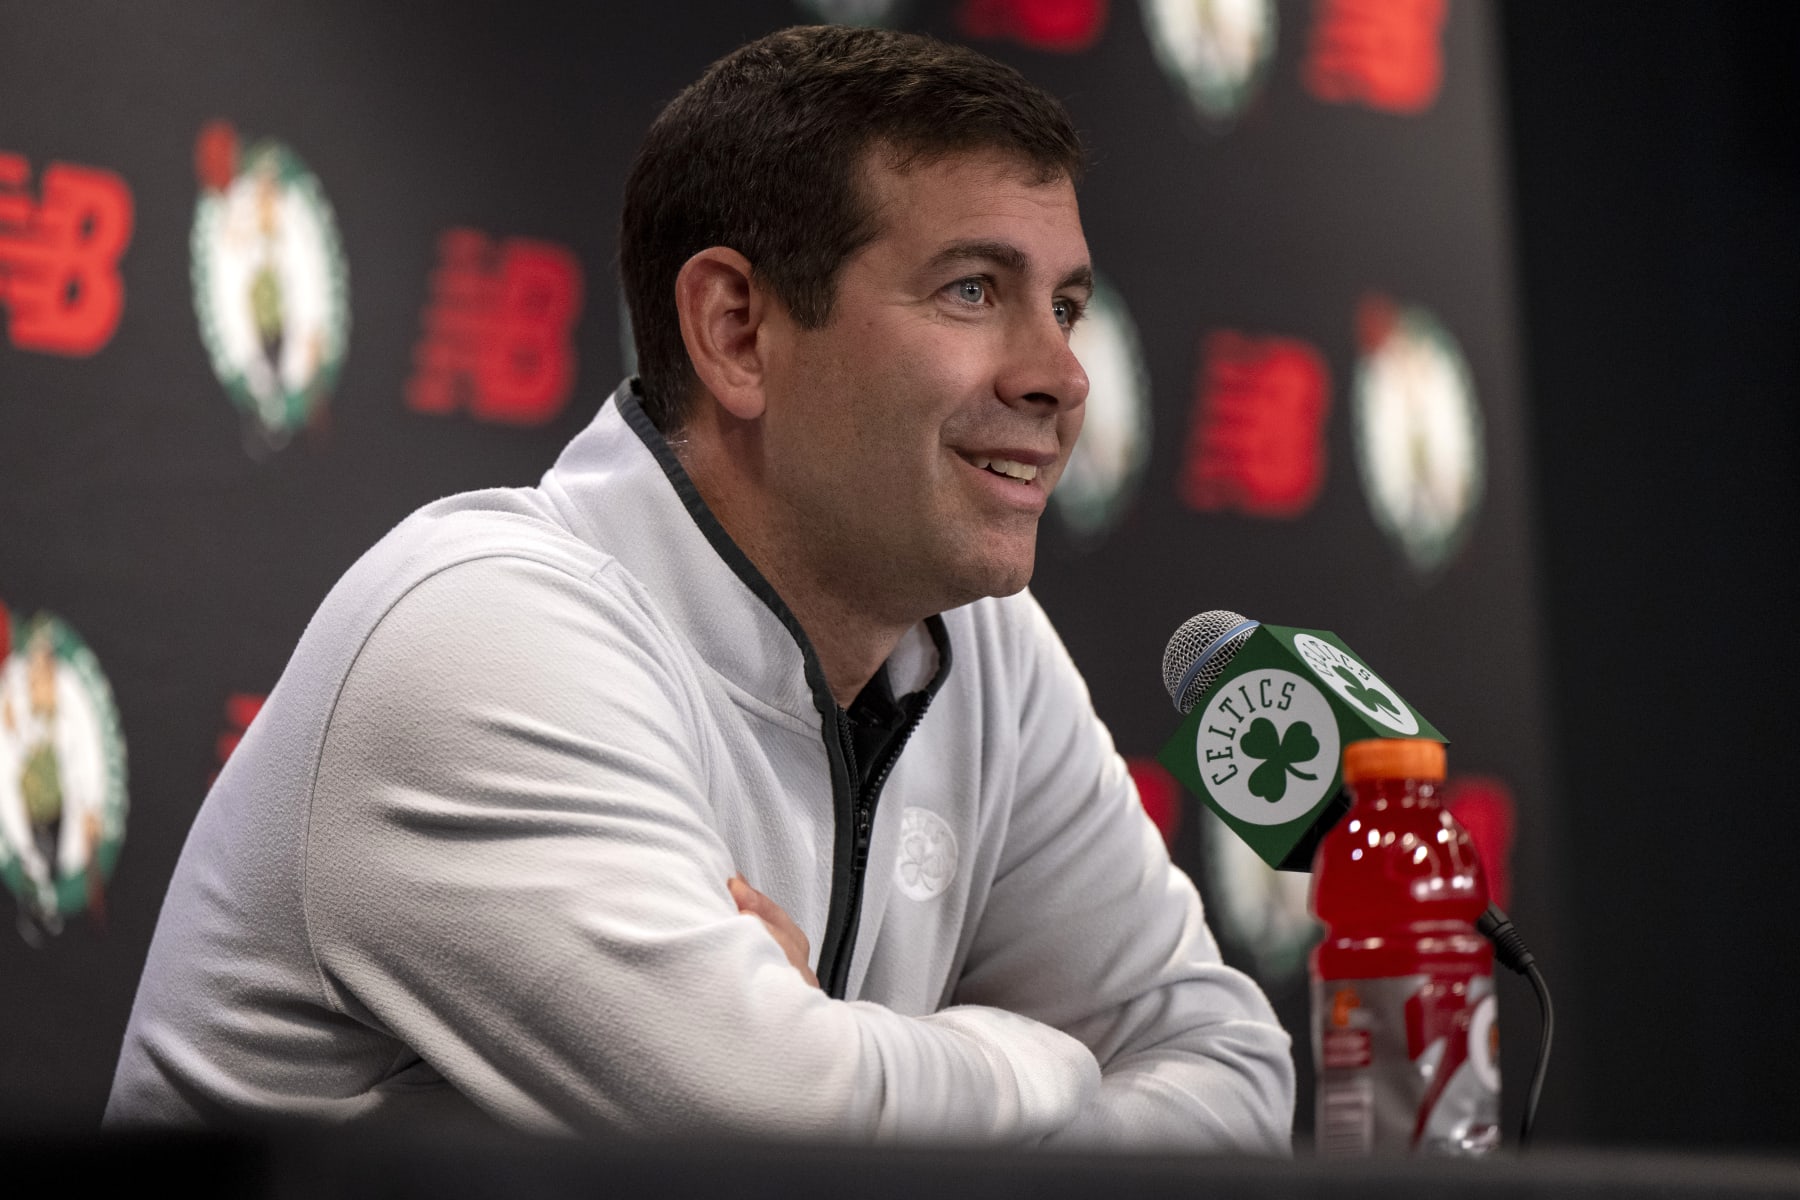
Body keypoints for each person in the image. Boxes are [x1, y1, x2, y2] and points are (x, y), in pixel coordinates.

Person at [107, 25, 1294, 1148]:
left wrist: (874, 1063)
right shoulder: (483, 630)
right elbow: (779, 1137)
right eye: (973, 291)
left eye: (1068, 306)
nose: (1061, 376)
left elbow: (1232, 1074)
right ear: (735, 332)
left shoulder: (987, 653)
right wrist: (1048, 1063)